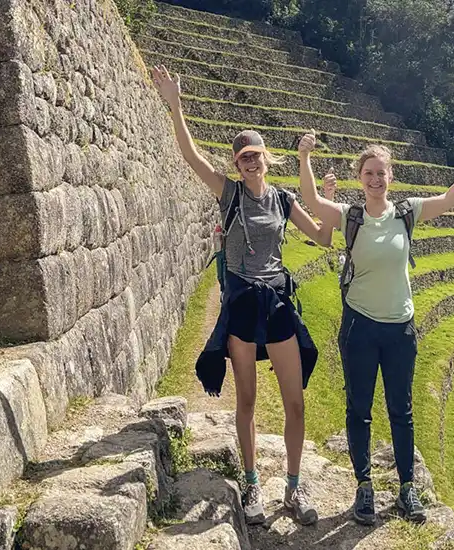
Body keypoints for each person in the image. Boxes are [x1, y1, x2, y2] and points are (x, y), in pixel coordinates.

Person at [150, 64, 328, 526]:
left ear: (267, 158)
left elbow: (324, 237)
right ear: (237, 163)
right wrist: (176, 105)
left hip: (278, 301)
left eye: (256, 155)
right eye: (243, 157)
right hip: (244, 304)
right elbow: (191, 157)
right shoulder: (229, 194)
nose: (250, 161)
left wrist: (324, 193)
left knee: (295, 401)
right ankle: (252, 485)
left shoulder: (284, 200)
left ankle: (292, 486)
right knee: (246, 400)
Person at [294, 133, 454, 525]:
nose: (375, 179)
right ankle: (364, 487)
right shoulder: (350, 215)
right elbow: (312, 202)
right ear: (360, 177)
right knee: (360, 410)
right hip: (360, 325)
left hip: (400, 328)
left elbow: (448, 201)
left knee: (402, 410)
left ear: (391, 176)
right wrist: (304, 158)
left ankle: (405, 488)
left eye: (381, 173)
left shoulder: (406, 212)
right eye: (369, 173)